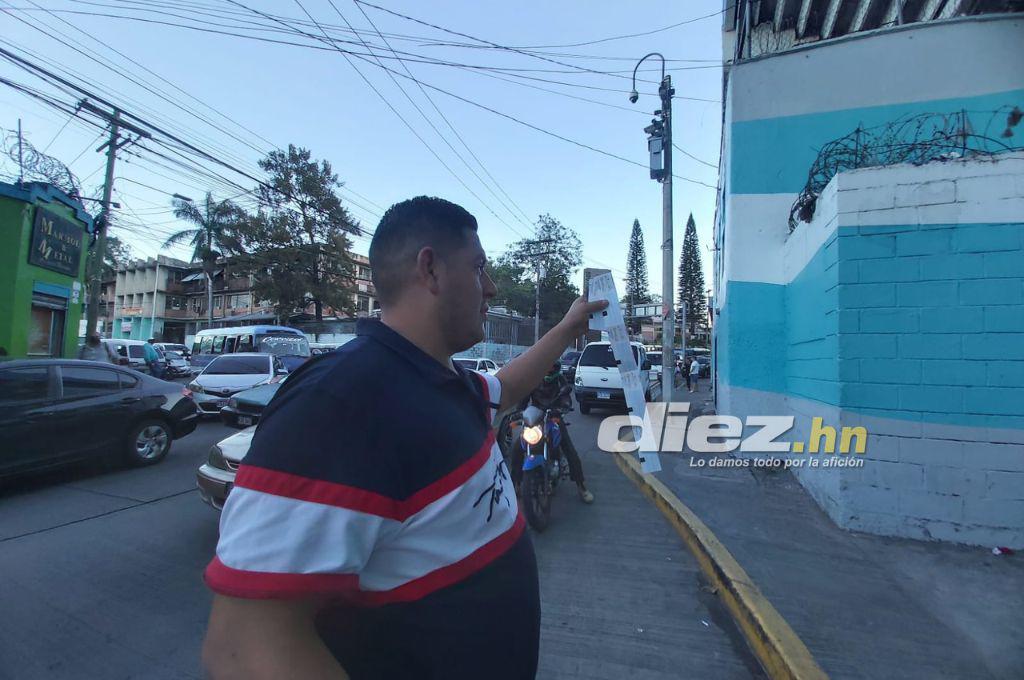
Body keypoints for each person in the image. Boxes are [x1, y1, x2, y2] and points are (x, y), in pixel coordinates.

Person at [201, 196, 607, 680]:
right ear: (430, 270)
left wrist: (566, 327)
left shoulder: (445, 381)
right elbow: (242, 648)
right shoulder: (342, 401)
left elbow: (509, 386)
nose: (492, 288)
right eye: (479, 268)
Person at [511, 361, 594, 504]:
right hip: (535, 419)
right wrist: (518, 412)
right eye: (546, 368)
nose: (548, 371)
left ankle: (582, 487)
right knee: (518, 447)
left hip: (553, 417)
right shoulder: (534, 381)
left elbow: (566, 398)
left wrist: (563, 407)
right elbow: (523, 402)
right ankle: (516, 484)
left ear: (556, 369)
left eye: (551, 369)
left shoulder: (560, 380)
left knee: (569, 450)